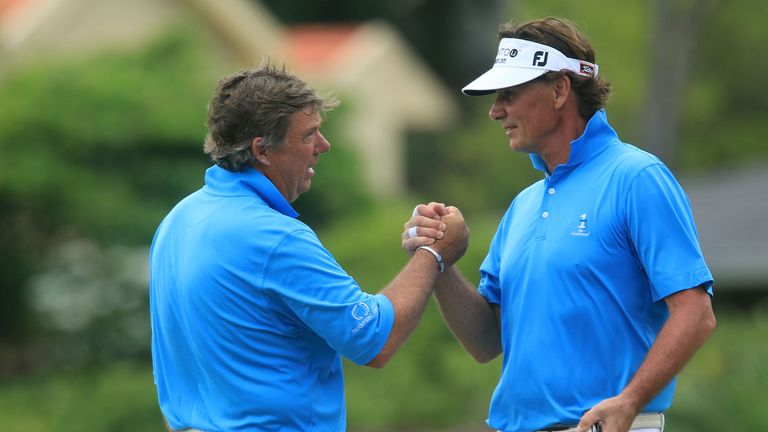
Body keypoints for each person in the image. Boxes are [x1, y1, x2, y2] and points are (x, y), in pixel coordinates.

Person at [402, 17, 716, 432]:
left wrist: (630, 400)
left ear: (560, 89)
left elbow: (696, 313)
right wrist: (439, 261)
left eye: (509, 95)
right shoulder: (523, 205)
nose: (496, 111)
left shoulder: (637, 177)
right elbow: (485, 342)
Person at [149, 63, 468, 432]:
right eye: (309, 135)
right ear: (262, 150)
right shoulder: (273, 236)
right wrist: (434, 252)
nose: (323, 146)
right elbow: (375, 339)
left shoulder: (176, 221)